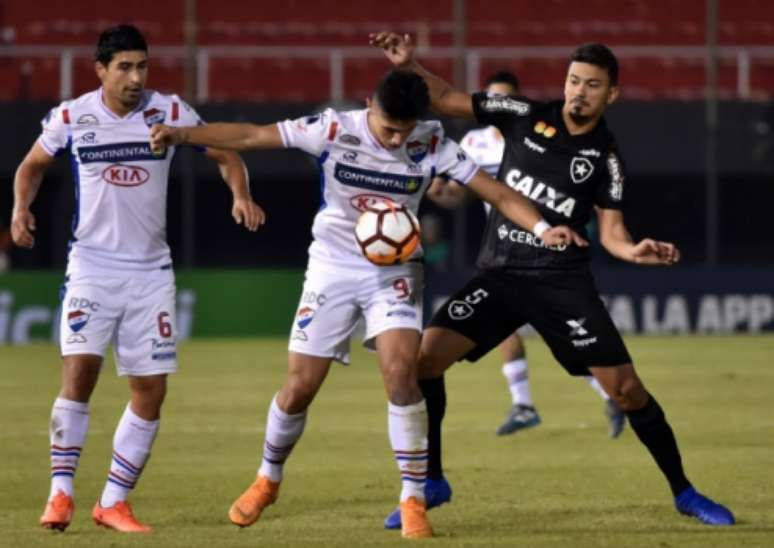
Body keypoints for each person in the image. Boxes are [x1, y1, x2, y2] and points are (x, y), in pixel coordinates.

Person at [150, 69, 586, 539]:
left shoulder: (431, 141)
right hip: (333, 266)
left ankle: (414, 497)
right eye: (387, 127)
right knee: (299, 387)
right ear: (367, 105)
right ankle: (267, 479)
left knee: (402, 374)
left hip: (395, 271)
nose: (395, 137)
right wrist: (183, 134)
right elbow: (253, 135)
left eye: (403, 129)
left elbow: (496, 192)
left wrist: (543, 229)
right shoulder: (334, 129)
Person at [371, 33, 735, 528]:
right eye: (573, 80)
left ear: (612, 95)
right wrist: (410, 64)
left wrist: (634, 250)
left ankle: (685, 493)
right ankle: (431, 480)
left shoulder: (605, 159)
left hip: (561, 284)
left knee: (627, 392)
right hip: (499, 276)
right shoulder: (521, 112)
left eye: (591, 85)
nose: (578, 92)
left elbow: (612, 232)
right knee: (422, 362)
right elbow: (447, 98)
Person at [11, 25, 264, 533]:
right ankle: (60, 495)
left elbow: (225, 153)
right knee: (79, 374)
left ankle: (113, 502)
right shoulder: (72, 116)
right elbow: (32, 165)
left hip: (151, 273)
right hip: (91, 268)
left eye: (142, 66)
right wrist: (20, 208)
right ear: (100, 70)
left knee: (150, 390)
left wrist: (239, 193)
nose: (135, 77)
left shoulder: (169, 112)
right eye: (124, 67)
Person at [427, 70, 626, 439]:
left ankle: (610, 393)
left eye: (504, 99)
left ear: (516, 102)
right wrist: (441, 195)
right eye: (491, 100)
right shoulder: (474, 141)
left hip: (549, 254)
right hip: (504, 252)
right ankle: (524, 405)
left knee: (569, 340)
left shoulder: (539, 135)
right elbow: (460, 195)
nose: (496, 107)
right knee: (503, 330)